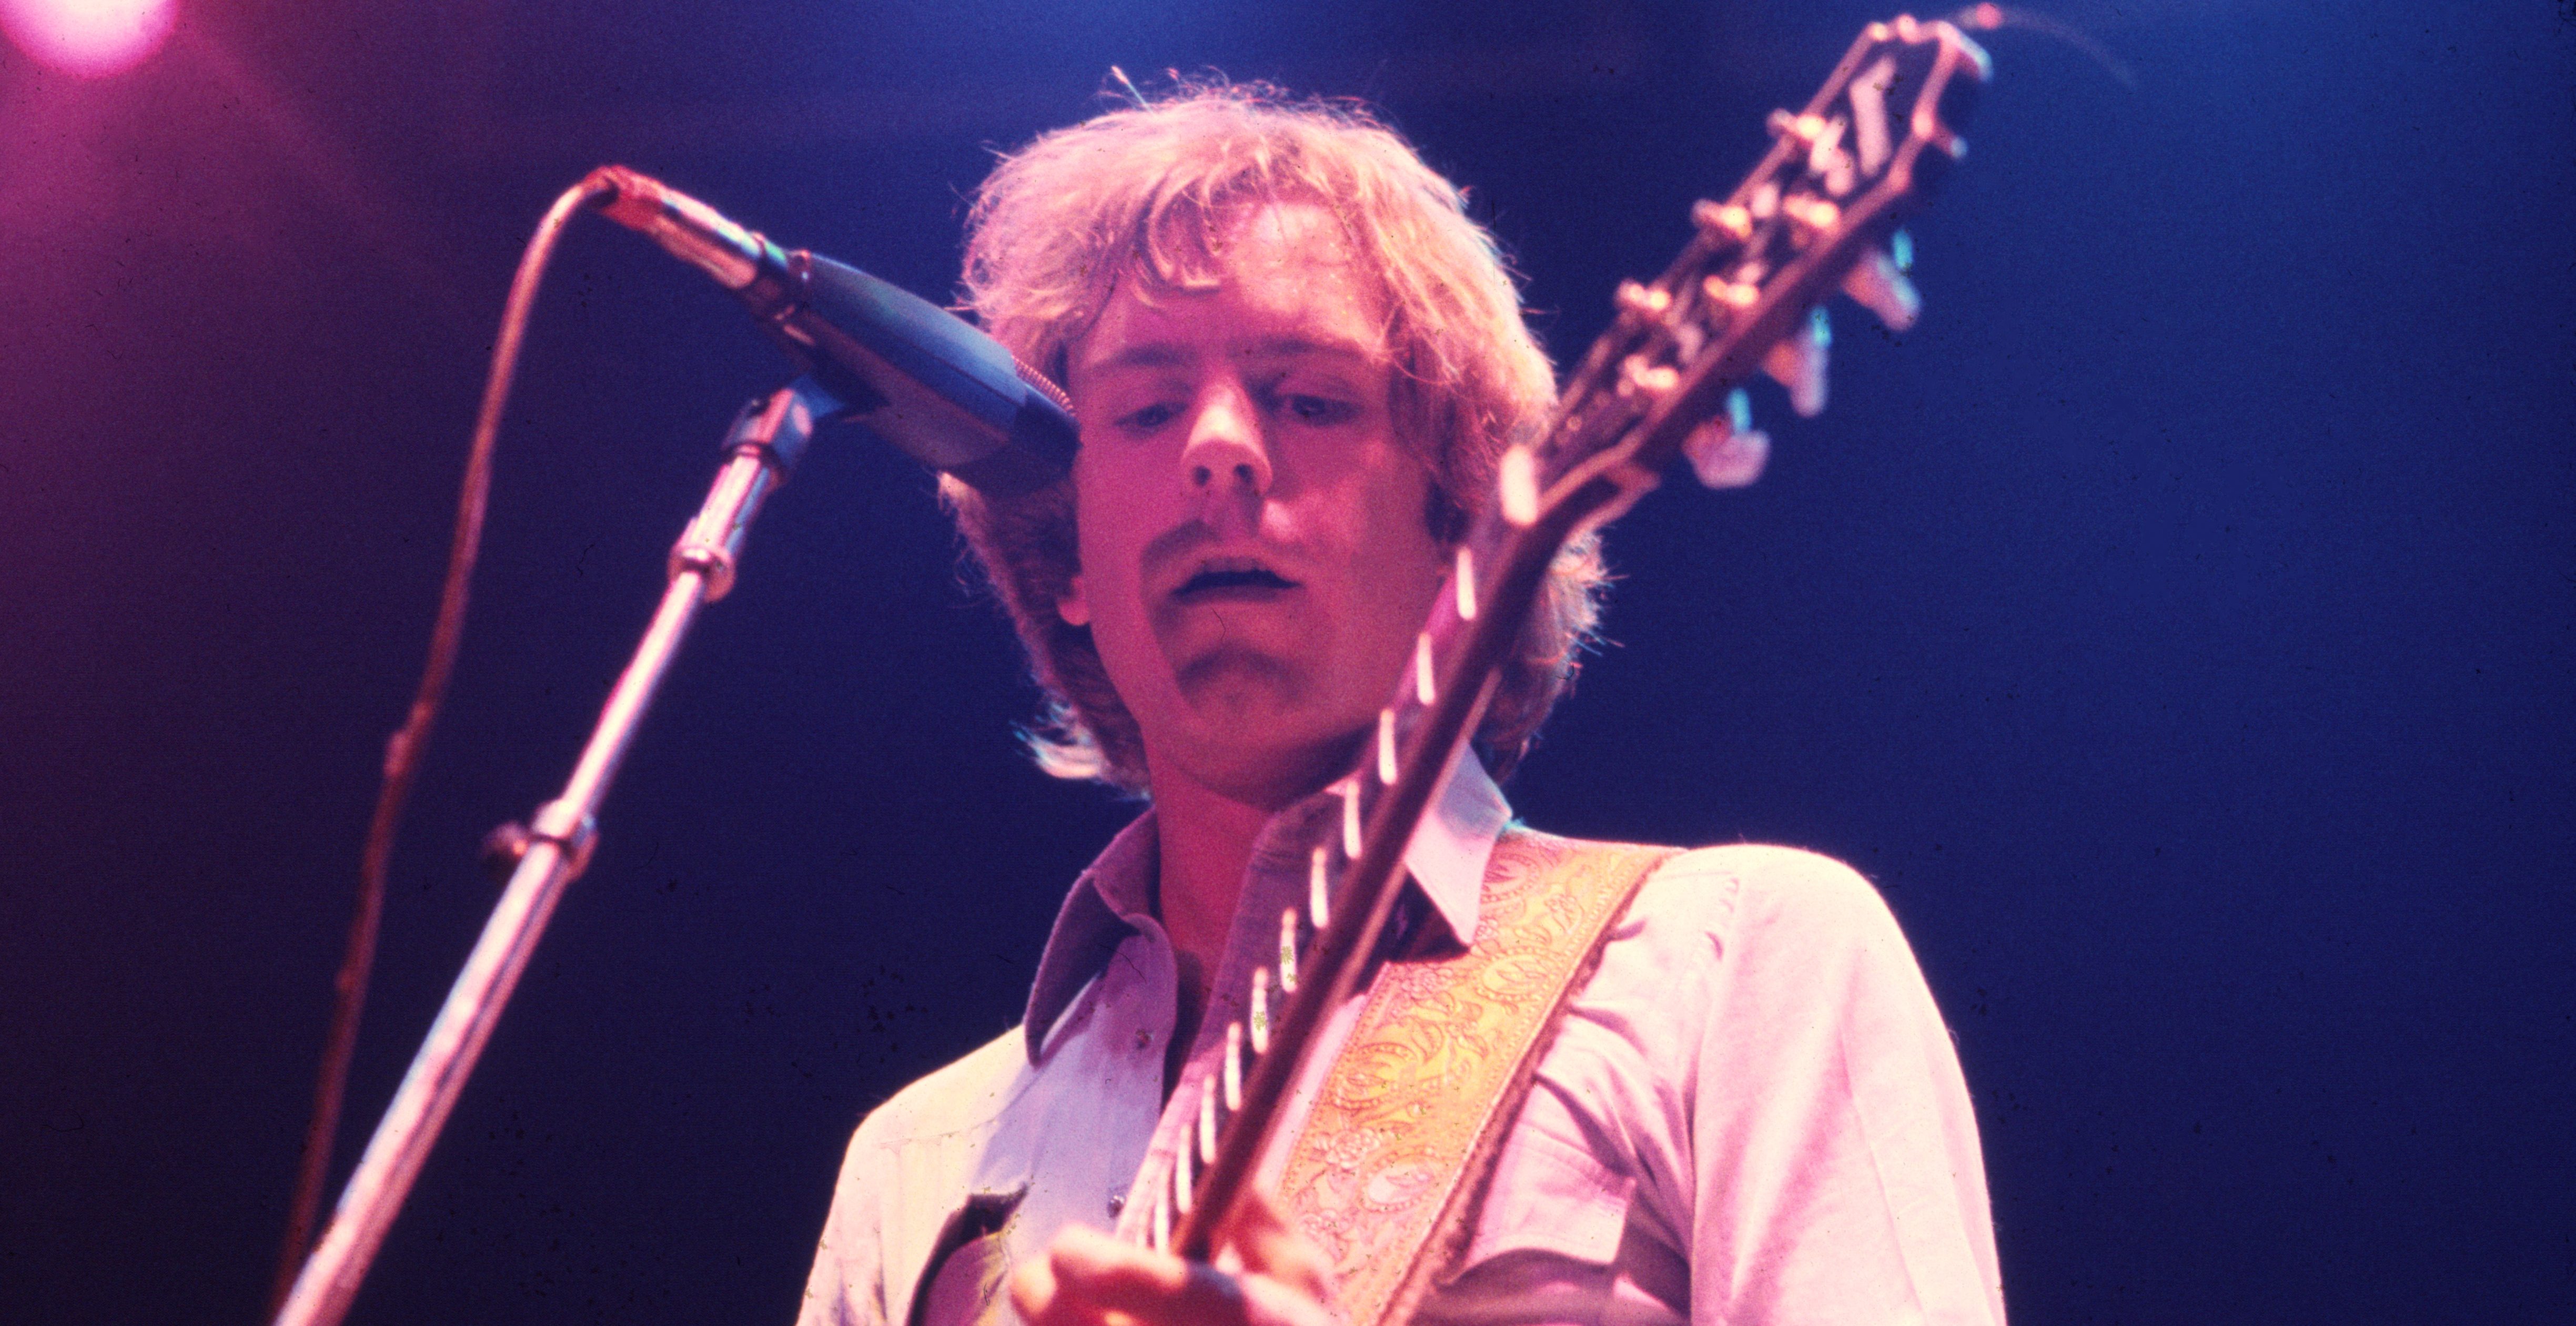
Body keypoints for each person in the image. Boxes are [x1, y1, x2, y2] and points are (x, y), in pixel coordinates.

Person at [797, 85, 2003, 1326]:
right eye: (1147, 409)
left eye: (1310, 398)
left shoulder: (1736, 967)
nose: (1220, 447)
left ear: (1456, 530)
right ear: (1063, 567)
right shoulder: (916, 1167)